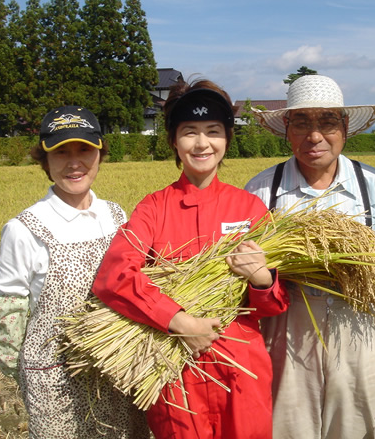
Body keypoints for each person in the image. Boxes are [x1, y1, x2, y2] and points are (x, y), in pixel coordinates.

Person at [91, 78, 289, 439]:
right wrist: (180, 321)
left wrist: (263, 280)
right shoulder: (154, 208)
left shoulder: (249, 208)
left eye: (213, 131)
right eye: (190, 132)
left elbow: (274, 302)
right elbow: (114, 276)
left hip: (240, 366)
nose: (202, 143)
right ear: (174, 142)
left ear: (227, 139)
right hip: (175, 371)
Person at [244, 74, 375, 439]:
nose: (315, 135)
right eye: (302, 122)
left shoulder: (373, 186)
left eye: (327, 121)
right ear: (287, 128)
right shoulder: (263, 189)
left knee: (352, 426)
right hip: (288, 326)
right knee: (288, 425)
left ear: (345, 127)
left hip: (359, 325)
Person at [0, 106, 148, 437]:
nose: (74, 162)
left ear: (100, 154)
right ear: (45, 161)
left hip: (117, 373)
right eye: (61, 152)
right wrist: (30, 378)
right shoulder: (25, 229)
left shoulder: (116, 216)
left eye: (84, 149)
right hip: (55, 384)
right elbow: (6, 317)